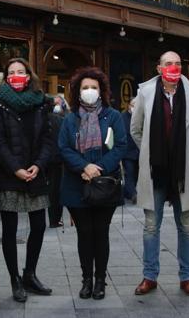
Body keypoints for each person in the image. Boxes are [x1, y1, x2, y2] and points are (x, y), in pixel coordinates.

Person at [130, 51, 189, 297]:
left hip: (183, 173)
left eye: (177, 63)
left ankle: (187, 278)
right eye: (168, 63)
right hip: (156, 172)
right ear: (158, 67)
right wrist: (153, 152)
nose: (173, 67)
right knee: (151, 227)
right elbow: (136, 130)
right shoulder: (145, 94)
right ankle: (149, 276)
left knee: (186, 227)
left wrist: (179, 153)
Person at [58, 67, 127, 300]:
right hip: (76, 184)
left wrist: (98, 168)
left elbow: (120, 146)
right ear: (78, 92)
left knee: (101, 232)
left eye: (94, 88)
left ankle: (100, 280)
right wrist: (83, 167)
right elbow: (64, 148)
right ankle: (86, 279)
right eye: (85, 88)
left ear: (102, 91)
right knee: (84, 233)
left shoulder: (113, 116)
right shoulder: (70, 119)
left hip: (104, 184)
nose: (89, 91)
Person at [0, 57, 54, 302]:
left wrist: (38, 165)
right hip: (10, 175)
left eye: (21, 71)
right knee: (9, 229)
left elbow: (48, 139)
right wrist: (16, 168)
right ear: (6, 77)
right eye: (11, 72)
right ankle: (14, 279)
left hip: (36, 173)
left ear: (29, 76)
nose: (16, 75)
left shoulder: (42, 103)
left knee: (39, 226)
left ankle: (30, 273)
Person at [47, 95, 67, 228]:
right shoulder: (60, 120)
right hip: (56, 159)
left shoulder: (39, 119)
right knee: (55, 190)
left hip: (42, 160)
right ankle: (55, 219)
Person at [122, 97, 139, 203]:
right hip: (127, 151)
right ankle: (133, 194)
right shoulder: (122, 117)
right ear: (129, 106)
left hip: (138, 152)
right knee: (129, 172)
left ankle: (127, 192)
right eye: (133, 105)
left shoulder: (140, 117)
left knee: (136, 174)